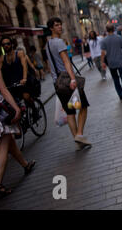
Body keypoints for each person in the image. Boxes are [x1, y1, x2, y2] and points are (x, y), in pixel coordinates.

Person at [0, 51, 36, 195]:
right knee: (3, 145)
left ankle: (25, 165)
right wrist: (16, 108)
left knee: (9, 141)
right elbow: (4, 91)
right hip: (2, 110)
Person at [46, 17, 91, 150]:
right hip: (67, 81)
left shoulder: (47, 44)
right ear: (51, 28)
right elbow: (66, 61)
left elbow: (50, 64)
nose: (60, 27)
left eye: (60, 24)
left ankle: (78, 142)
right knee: (83, 107)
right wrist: (72, 79)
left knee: (70, 111)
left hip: (57, 83)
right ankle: (79, 134)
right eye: (56, 25)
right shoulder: (59, 42)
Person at [0, 37, 37, 115]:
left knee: (26, 96)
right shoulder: (2, 58)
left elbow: (24, 66)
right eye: (4, 44)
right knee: (12, 103)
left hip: (22, 80)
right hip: (12, 83)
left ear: (12, 44)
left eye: (8, 44)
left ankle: (34, 109)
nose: (6, 46)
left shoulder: (19, 53)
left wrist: (24, 78)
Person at [101, 23, 122, 101]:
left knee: (115, 79)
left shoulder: (104, 40)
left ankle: (120, 94)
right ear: (114, 29)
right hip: (120, 62)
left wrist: (102, 62)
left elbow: (103, 53)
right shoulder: (119, 38)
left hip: (111, 63)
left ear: (107, 30)